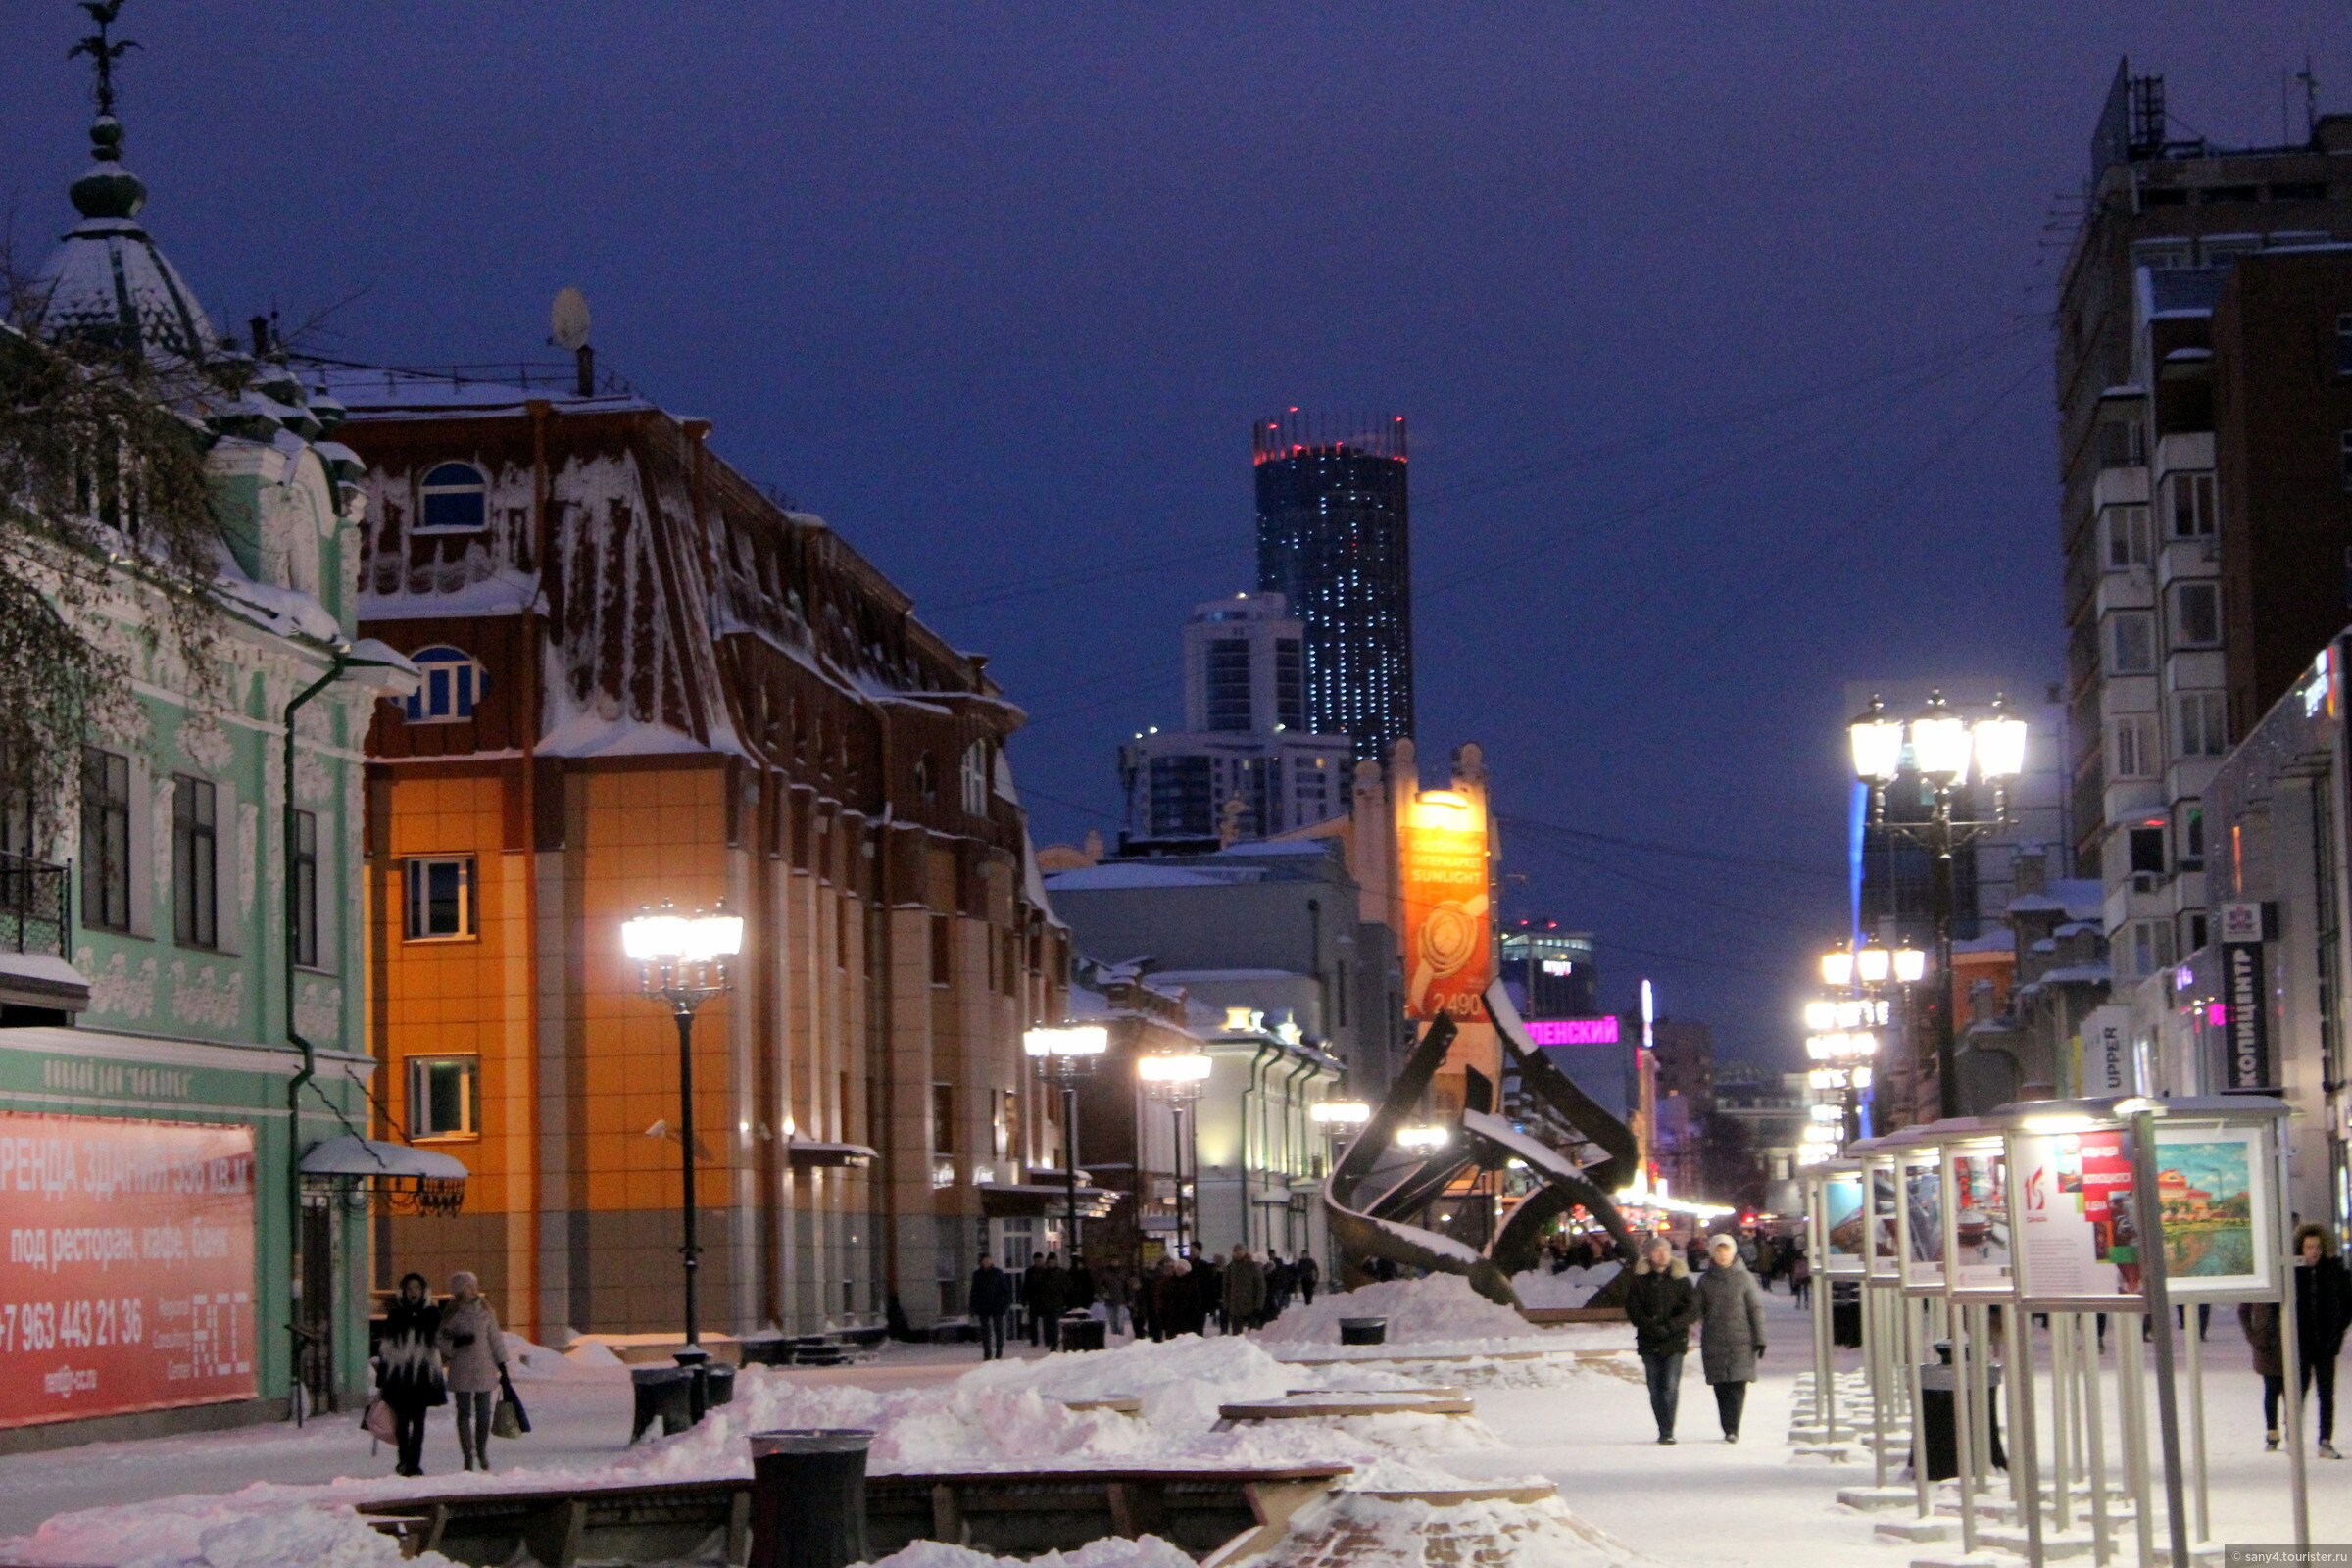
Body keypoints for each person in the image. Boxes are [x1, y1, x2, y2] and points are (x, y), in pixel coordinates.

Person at [1625, 1235, 1700, 1444]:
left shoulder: (1681, 1280)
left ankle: (1668, 1430)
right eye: (1657, 1251)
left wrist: (1671, 1326)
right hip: (1649, 1341)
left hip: (1674, 1341)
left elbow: (1692, 1310)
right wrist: (1650, 1326)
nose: (1662, 1255)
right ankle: (1662, 1426)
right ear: (1649, 1255)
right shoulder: (1640, 1281)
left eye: (1666, 1250)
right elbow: (1633, 1309)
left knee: (1670, 1384)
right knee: (1655, 1386)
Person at [435, 1270, 509, 1472]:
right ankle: (468, 1454)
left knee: (484, 1414)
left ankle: (482, 1451)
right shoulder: (452, 1314)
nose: (472, 1290)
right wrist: (455, 1343)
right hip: (461, 1368)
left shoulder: (486, 1311)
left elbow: (495, 1339)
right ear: (459, 1290)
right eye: (467, 1287)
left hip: (485, 1367)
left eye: (473, 1286)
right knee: (464, 1413)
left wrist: (502, 1364)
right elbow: (440, 1340)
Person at [1697, 1234, 1767, 1443]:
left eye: (1726, 1250)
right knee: (1721, 1387)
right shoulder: (1705, 1281)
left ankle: (1733, 1427)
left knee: (1737, 1384)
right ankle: (1727, 1426)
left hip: (1741, 1340)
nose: (1722, 1255)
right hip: (1714, 1339)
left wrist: (1760, 1337)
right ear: (1712, 1253)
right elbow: (1697, 1309)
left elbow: (1755, 1309)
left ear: (1733, 1251)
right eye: (1718, 1251)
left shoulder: (1745, 1278)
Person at [374, 1272, 444, 1477]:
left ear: (423, 1291)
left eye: (417, 1288)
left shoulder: (432, 1314)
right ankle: (404, 1460)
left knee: (419, 1422)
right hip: (400, 1378)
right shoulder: (396, 1315)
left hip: (422, 1377)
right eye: (409, 1288)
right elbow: (386, 1348)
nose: (413, 1292)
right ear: (403, 1291)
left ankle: (415, 1462)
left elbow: (441, 1341)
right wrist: (383, 1379)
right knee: (402, 1422)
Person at [2294, 1222, 2352, 1458]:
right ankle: (2294, 1436)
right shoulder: (2294, 1274)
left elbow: (2347, 1305)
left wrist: (2336, 1333)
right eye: (2308, 1247)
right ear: (2301, 1248)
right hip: (2301, 1344)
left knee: (2326, 1394)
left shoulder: (2335, 1272)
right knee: (2298, 1391)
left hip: (2327, 1344)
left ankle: (2325, 1440)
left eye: (2317, 1247)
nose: (2313, 1252)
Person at [2240, 1298, 2285, 1450]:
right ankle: (2272, 1433)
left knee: (2292, 1392)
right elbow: (2243, 1310)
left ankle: (2291, 1432)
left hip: (2289, 1343)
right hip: (2266, 1346)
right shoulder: (2262, 1289)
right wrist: (2253, 1337)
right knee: (2271, 1390)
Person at [970, 1253, 1013, 1360]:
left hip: (997, 1305)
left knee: (998, 1329)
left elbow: (1005, 1289)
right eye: (984, 1260)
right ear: (981, 1262)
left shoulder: (997, 1273)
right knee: (985, 1331)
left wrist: (1006, 1302)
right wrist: (972, 1306)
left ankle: (999, 1351)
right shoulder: (977, 1274)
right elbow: (974, 1292)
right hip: (983, 1306)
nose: (987, 1262)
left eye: (988, 1260)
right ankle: (987, 1353)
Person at [1031, 1252, 1070, 1350]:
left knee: (1054, 1323)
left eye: (1053, 1261)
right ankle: (1049, 1341)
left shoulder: (1061, 1273)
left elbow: (1068, 1287)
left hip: (1057, 1302)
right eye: (1050, 1262)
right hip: (1045, 1303)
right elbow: (1038, 1287)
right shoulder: (1043, 1273)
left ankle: (1054, 1343)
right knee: (1047, 1324)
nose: (1052, 1263)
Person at [1224, 1247, 1267, 1333]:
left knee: (1254, 1334)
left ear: (1245, 1252)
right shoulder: (1230, 1268)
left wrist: (1259, 1305)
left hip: (1251, 1306)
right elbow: (1226, 1287)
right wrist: (1226, 1305)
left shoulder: (1253, 1266)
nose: (1238, 1253)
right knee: (1237, 1336)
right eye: (1235, 1251)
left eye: (1240, 1250)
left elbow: (1260, 1287)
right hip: (1235, 1307)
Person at [1100, 1263, 1133, 1338]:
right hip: (1109, 1301)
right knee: (1112, 1322)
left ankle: (1120, 1337)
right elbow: (1101, 1286)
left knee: (1120, 1322)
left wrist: (1129, 1299)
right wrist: (1104, 1292)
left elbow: (1127, 1287)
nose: (1115, 1262)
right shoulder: (1106, 1273)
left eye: (1116, 1261)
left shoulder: (1123, 1273)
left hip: (1121, 1300)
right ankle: (1114, 1338)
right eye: (1113, 1261)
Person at [1020, 1251, 1048, 1346]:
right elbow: (1026, 1286)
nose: (1038, 1262)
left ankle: (1047, 1340)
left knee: (1046, 1322)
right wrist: (1024, 1300)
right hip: (1034, 1300)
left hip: (1044, 1300)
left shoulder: (1046, 1271)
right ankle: (1034, 1341)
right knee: (1033, 1322)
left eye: (1039, 1260)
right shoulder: (1030, 1272)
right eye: (1036, 1260)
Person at [1067, 1254, 1097, 1324]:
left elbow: (1090, 1288)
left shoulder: (1086, 1273)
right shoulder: (1072, 1273)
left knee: (1083, 1319)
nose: (1079, 1265)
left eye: (1080, 1263)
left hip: (1084, 1301)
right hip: (1074, 1301)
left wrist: (1090, 1299)